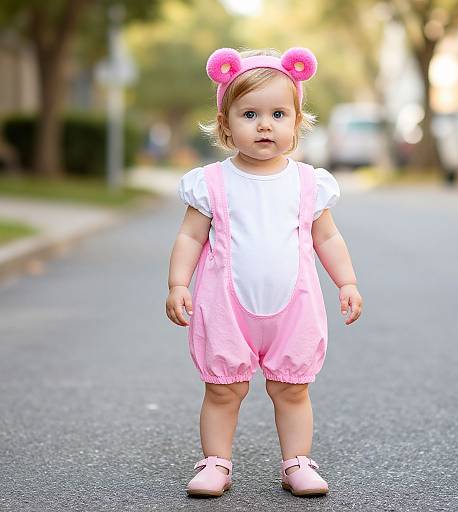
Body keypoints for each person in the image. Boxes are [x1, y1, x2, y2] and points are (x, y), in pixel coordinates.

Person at [166, 47, 363, 498]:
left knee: (292, 389)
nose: (264, 125)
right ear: (225, 124)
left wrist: (346, 281)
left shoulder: (309, 182)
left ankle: (297, 462)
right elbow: (191, 238)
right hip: (226, 308)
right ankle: (216, 462)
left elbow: (327, 239)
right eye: (249, 113)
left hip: (293, 307)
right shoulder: (212, 182)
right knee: (223, 390)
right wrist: (178, 283)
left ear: (297, 121)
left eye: (278, 113)